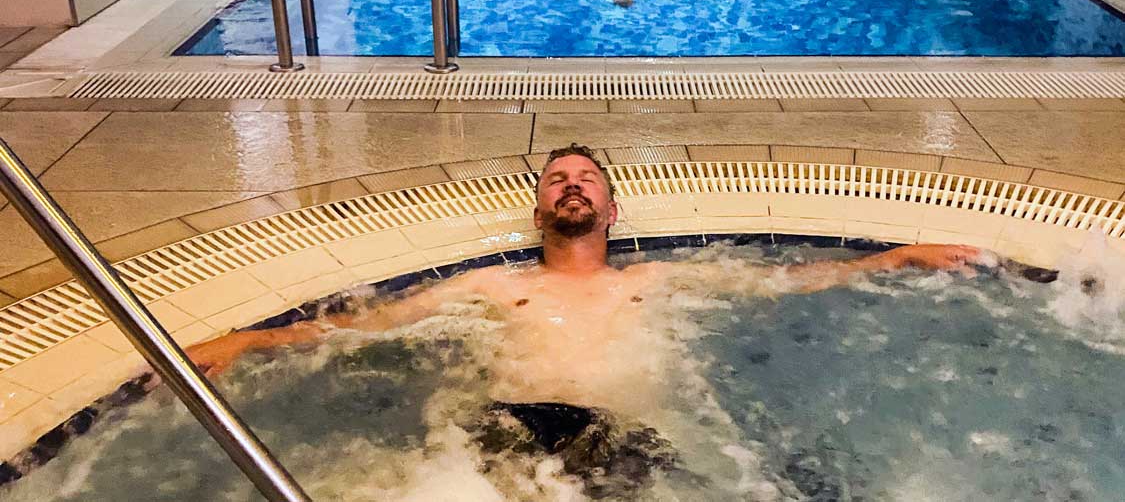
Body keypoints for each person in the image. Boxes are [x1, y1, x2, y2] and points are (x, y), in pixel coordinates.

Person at [188, 144, 986, 497]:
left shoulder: (659, 277)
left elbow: (779, 280)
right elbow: (370, 324)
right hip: (502, 430)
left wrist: (889, 260)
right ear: (539, 208)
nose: (570, 185)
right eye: (555, 179)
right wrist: (250, 339)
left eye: (586, 178)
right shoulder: (490, 285)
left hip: (621, 434)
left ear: (612, 207)